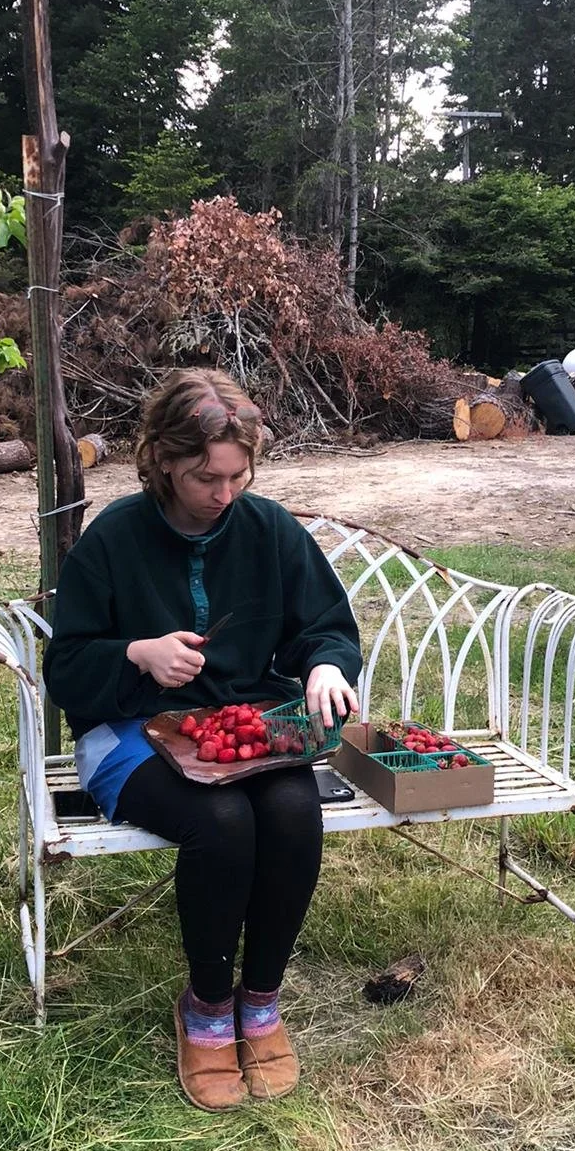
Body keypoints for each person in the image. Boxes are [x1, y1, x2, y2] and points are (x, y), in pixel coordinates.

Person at [44, 368, 362, 1112]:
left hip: (242, 721)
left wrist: (325, 665)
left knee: (292, 810)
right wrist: (136, 655)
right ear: (162, 461)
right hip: (128, 731)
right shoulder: (116, 537)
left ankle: (262, 1001)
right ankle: (209, 1007)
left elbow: (326, 625)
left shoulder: (268, 530)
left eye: (237, 476)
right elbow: (67, 667)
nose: (223, 495)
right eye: (204, 478)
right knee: (220, 821)